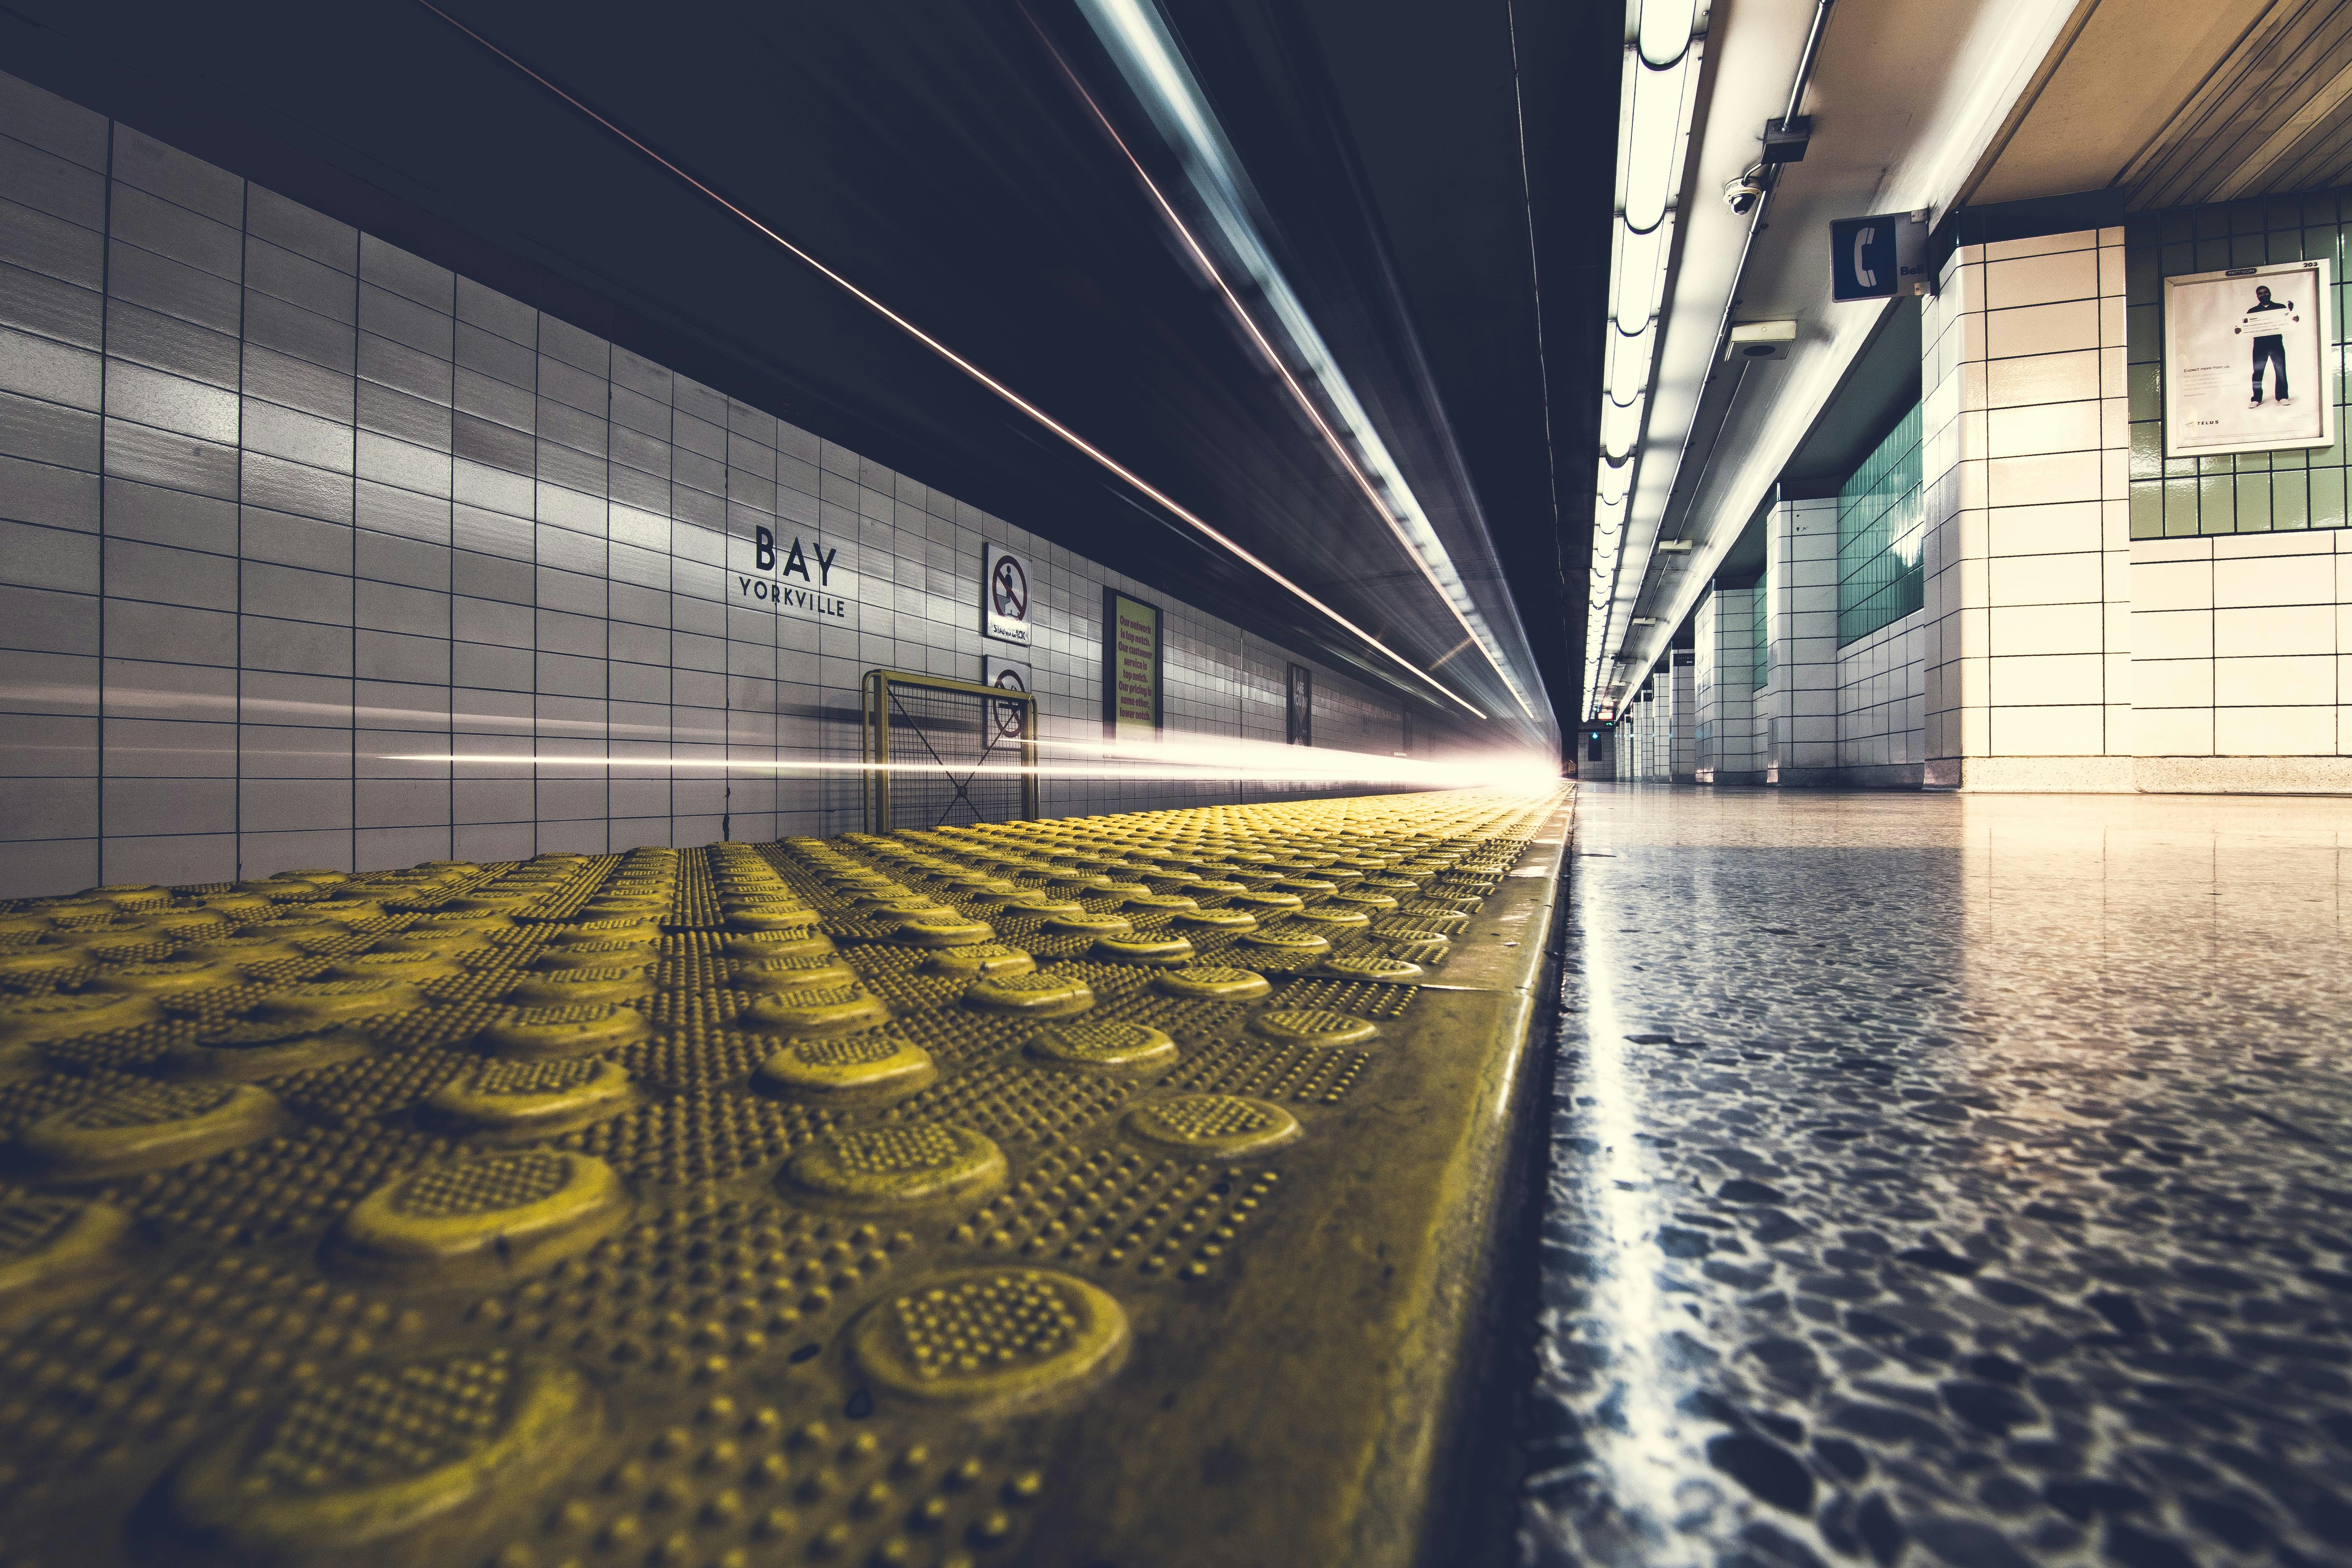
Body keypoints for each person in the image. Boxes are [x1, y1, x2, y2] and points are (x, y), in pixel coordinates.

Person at [2235, 283, 2298, 408]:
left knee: (2280, 370)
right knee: (2257, 373)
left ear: (2270, 293)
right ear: (2257, 296)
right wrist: (2240, 330)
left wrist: (2294, 318)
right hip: (2260, 346)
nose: (2263, 295)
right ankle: (2256, 399)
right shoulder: (2252, 312)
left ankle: (2283, 397)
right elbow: (2245, 327)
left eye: (2265, 292)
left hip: (2276, 344)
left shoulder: (2280, 307)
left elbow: (2289, 320)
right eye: (2260, 293)